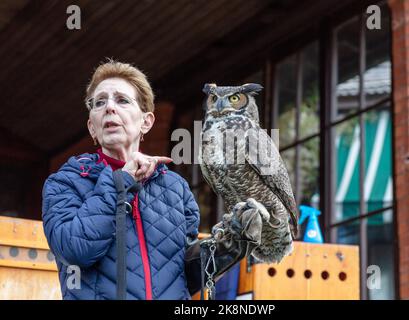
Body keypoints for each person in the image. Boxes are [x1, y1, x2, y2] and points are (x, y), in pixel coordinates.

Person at [42, 60, 262, 300]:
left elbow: (184, 277)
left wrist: (227, 246)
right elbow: (75, 250)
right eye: (100, 102)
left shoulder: (176, 188)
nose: (109, 108)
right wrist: (121, 181)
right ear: (92, 127)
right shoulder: (65, 182)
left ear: (146, 122)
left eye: (122, 100)